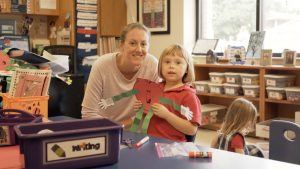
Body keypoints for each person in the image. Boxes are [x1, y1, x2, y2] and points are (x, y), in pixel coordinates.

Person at [81, 23, 160, 127]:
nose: (139, 49)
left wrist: (124, 125)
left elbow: (152, 110)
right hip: (104, 129)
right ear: (122, 44)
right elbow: (88, 114)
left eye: (144, 44)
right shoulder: (101, 65)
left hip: (137, 132)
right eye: (132, 43)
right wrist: (116, 128)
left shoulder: (153, 65)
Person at [134, 44, 201, 142]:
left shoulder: (188, 96)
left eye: (178, 63)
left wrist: (167, 115)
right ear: (161, 66)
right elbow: (147, 119)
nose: (171, 66)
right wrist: (142, 110)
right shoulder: (154, 90)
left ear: (187, 69)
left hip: (174, 147)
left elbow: (192, 130)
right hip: (150, 142)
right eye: (167, 62)